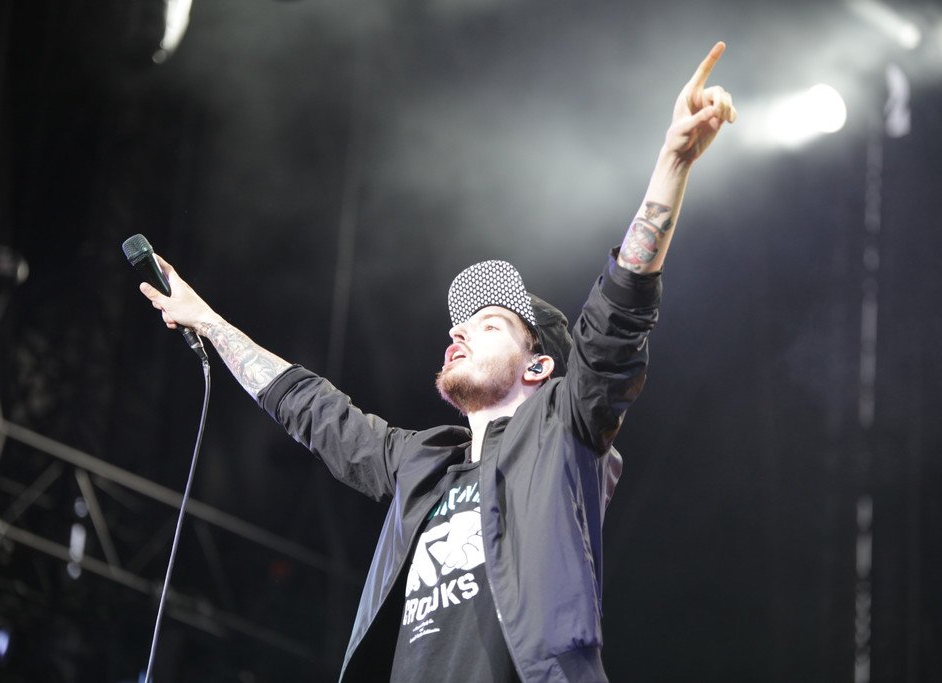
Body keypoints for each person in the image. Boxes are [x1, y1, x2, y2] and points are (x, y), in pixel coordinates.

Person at [139, 42, 737, 682]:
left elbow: (617, 317)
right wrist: (210, 323)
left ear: (538, 369)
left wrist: (672, 163)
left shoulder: (562, 432)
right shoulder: (419, 463)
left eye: (490, 324)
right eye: (459, 325)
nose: (459, 332)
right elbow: (312, 409)